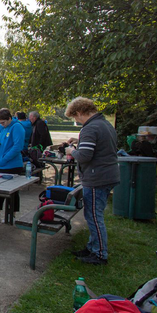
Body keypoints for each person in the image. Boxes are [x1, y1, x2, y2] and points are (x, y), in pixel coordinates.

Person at [64, 97, 120, 265]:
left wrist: (71, 150)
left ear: (80, 112)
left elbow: (85, 156)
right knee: (94, 214)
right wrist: (79, 142)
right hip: (107, 174)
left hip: (97, 177)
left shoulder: (90, 128)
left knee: (94, 217)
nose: (76, 121)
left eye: (75, 117)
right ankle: (93, 246)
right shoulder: (104, 124)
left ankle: (100, 253)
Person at [0, 108, 26, 223]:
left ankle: (11, 214)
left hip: (12, 165)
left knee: (12, 191)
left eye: (3, 122)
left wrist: (4, 159)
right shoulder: (0, 127)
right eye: (0, 123)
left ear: (9, 118)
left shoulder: (17, 127)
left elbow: (17, 147)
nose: (2, 125)